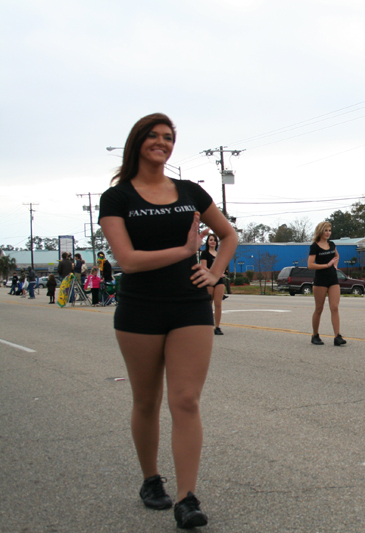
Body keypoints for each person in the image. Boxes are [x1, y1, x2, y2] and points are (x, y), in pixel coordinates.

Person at [99, 113, 237, 529]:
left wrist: (215, 272)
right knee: (146, 400)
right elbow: (127, 260)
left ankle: (186, 498)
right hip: (139, 308)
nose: (163, 143)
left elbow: (228, 235)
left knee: (186, 400)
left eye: (169, 138)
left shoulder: (191, 191)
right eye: (155, 136)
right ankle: (150, 480)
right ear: (138, 141)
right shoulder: (118, 198)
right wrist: (185, 251)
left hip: (189, 307)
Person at [308, 221, 346, 346]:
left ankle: (337, 336)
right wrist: (327, 265)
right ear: (320, 231)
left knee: (334, 307)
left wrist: (335, 265)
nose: (328, 233)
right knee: (319, 309)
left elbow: (337, 255)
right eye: (326, 230)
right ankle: (315, 335)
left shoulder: (332, 244)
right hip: (320, 281)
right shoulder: (315, 246)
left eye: (330, 230)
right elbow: (310, 265)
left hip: (333, 279)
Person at [199, 234, 226, 335]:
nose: (212, 242)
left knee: (218, 304)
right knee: (208, 304)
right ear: (207, 242)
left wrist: (221, 272)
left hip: (219, 281)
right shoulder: (204, 253)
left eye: (214, 240)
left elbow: (222, 266)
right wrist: (215, 273)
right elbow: (204, 267)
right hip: (209, 280)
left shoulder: (219, 254)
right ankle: (207, 326)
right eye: (210, 240)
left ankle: (217, 327)